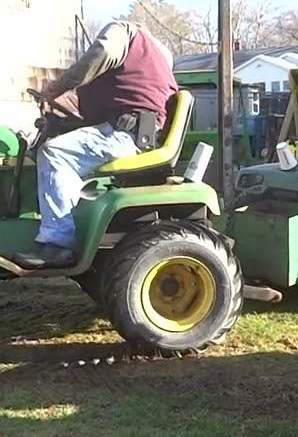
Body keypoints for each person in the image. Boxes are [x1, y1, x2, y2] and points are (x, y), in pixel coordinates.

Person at [13, 21, 178, 269]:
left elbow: (101, 53)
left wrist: (56, 87)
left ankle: (58, 243)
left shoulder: (124, 32)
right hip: (132, 129)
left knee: (54, 153)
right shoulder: (160, 52)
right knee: (61, 148)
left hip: (125, 134)